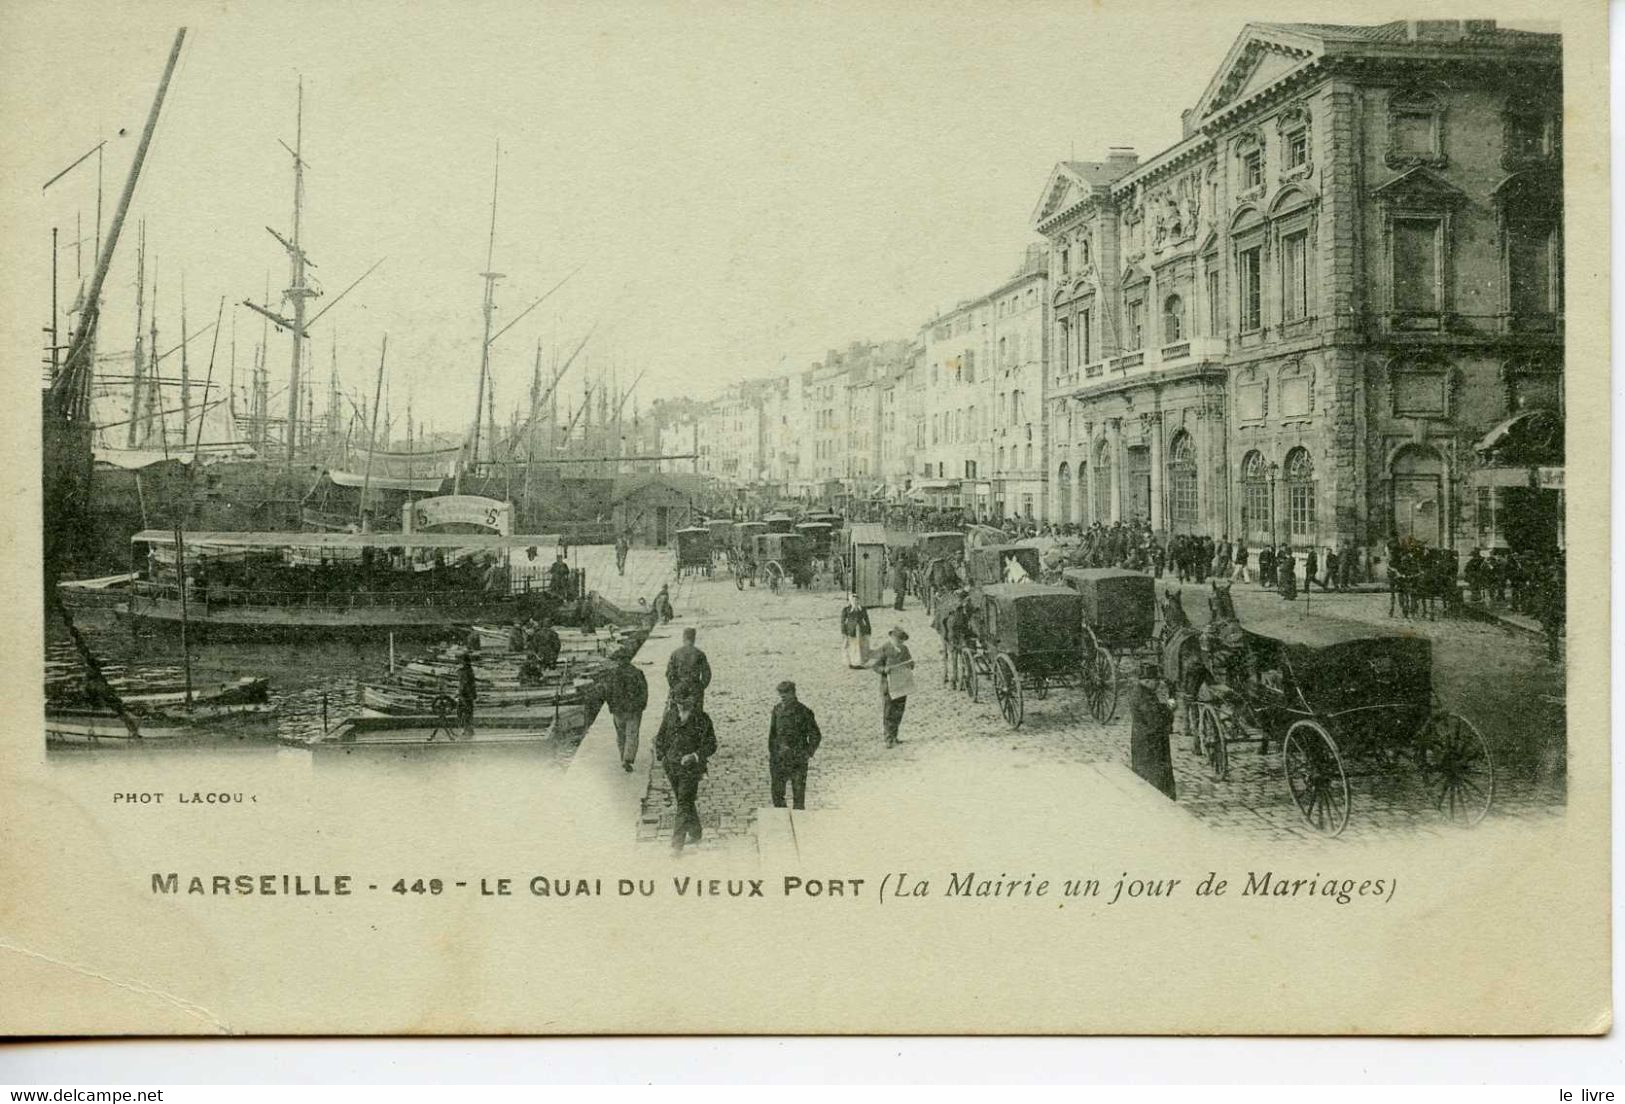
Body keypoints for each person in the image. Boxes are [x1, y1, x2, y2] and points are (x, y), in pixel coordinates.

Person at [654, 692, 717, 855]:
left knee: (683, 803)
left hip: (691, 768)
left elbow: (711, 744)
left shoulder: (702, 719)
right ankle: (696, 832)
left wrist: (695, 755)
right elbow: (660, 737)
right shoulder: (671, 715)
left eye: (685, 701)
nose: (681, 705)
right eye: (678, 702)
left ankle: (677, 845)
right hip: (672, 766)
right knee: (684, 800)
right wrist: (662, 755)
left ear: (692, 700)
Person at [767, 680, 822, 810]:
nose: (783, 696)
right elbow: (772, 734)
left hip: (797, 759)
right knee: (777, 794)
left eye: (786, 693)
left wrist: (807, 753)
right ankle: (780, 822)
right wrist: (773, 753)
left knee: (798, 796)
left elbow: (815, 735)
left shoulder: (804, 712)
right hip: (779, 759)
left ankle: (801, 825)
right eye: (781, 693)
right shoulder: (777, 710)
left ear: (793, 693)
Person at [1129, 662, 1177, 799]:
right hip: (1151, 746)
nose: (1158, 684)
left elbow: (1153, 710)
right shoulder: (1144, 696)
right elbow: (1155, 720)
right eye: (1156, 681)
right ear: (1147, 680)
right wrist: (1169, 708)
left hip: (1144, 743)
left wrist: (1164, 706)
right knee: (1156, 783)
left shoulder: (1141, 692)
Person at [867, 625, 914, 747]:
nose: (899, 642)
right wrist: (884, 669)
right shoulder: (885, 649)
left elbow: (910, 663)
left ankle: (895, 736)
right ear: (892, 638)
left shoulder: (904, 649)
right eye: (897, 639)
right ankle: (888, 738)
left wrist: (911, 664)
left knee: (899, 711)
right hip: (888, 686)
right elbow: (875, 666)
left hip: (902, 684)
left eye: (901, 640)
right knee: (888, 712)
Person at [603, 647, 648, 772]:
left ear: (618, 660)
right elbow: (643, 691)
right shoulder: (637, 673)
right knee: (632, 734)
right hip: (633, 709)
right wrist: (641, 706)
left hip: (618, 710)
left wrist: (611, 706)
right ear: (628, 659)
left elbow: (607, 692)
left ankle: (623, 756)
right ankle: (628, 759)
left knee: (621, 734)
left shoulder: (612, 674)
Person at [666, 626, 712, 712]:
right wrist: (701, 687)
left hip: (679, 687)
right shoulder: (700, 653)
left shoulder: (675, 653)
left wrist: (674, 686)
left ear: (683, 637)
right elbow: (707, 674)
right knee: (696, 714)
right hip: (694, 687)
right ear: (694, 638)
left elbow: (669, 674)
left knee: (676, 715)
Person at [841, 593, 872, 669]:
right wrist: (844, 632)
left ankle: (860, 663)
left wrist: (868, 630)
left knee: (861, 646)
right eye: (853, 600)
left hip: (861, 630)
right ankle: (850, 662)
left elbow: (867, 620)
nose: (855, 602)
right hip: (850, 630)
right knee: (851, 646)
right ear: (850, 601)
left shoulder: (862, 609)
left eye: (856, 600)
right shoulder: (846, 610)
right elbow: (843, 622)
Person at [457, 650, 477, 740]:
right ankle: (469, 729)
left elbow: (463, 684)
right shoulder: (470, 670)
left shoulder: (463, 671)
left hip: (465, 694)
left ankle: (467, 729)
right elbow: (472, 684)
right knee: (468, 712)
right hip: (469, 694)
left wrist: (460, 693)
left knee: (464, 712)